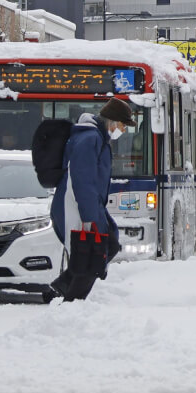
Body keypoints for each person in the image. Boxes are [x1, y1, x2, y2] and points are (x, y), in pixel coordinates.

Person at [49, 97, 135, 301]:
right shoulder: (90, 139)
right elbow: (82, 180)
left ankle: (65, 287)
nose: (122, 130)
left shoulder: (97, 138)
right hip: (76, 207)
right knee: (91, 256)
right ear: (112, 121)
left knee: (107, 247)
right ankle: (72, 302)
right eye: (122, 125)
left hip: (87, 205)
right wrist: (90, 218)